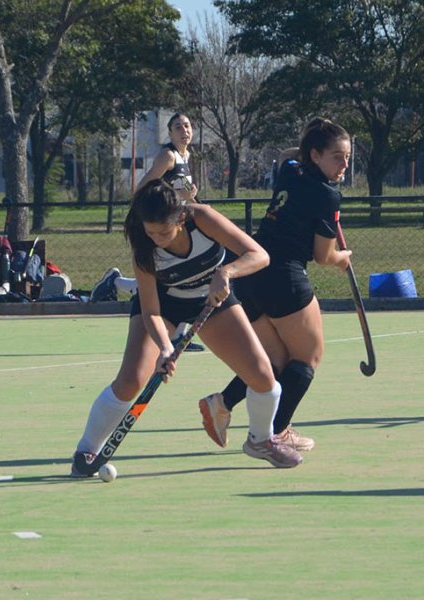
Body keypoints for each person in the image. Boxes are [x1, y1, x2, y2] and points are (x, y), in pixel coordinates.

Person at [70, 179, 302, 476]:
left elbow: (259, 255)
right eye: (150, 232)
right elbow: (151, 310)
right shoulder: (145, 248)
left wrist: (227, 272)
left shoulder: (201, 218)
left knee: (262, 375)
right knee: (130, 380)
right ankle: (86, 449)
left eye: (163, 232)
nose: (157, 239)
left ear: (180, 218)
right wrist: (165, 348)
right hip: (164, 305)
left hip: (211, 299)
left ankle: (260, 440)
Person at [197, 118, 353, 453]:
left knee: (274, 362)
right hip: (285, 277)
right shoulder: (327, 194)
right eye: (337, 157)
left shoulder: (291, 171)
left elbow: (285, 153)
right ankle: (277, 432)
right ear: (316, 156)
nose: (344, 165)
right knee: (307, 358)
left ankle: (222, 403)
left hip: (252, 273)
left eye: (348, 157)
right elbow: (323, 255)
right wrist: (343, 258)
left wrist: (314, 143)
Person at [90, 112, 199, 304]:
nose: (184, 130)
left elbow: (185, 195)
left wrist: (201, 211)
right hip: (155, 223)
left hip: (174, 224)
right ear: (170, 134)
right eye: (178, 127)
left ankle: (117, 282)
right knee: (158, 275)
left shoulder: (186, 156)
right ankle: (117, 283)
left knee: (166, 273)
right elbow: (143, 187)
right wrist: (175, 198)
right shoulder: (168, 156)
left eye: (187, 125)